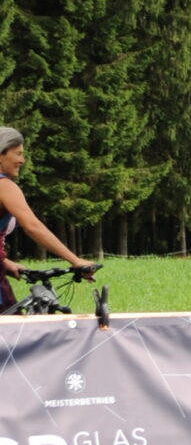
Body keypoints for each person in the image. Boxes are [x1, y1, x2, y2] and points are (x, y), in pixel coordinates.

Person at [0, 128, 95, 310]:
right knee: (14, 328)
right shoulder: (4, 187)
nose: (22, 160)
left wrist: (5, 262)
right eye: (18, 154)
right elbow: (32, 226)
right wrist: (75, 260)